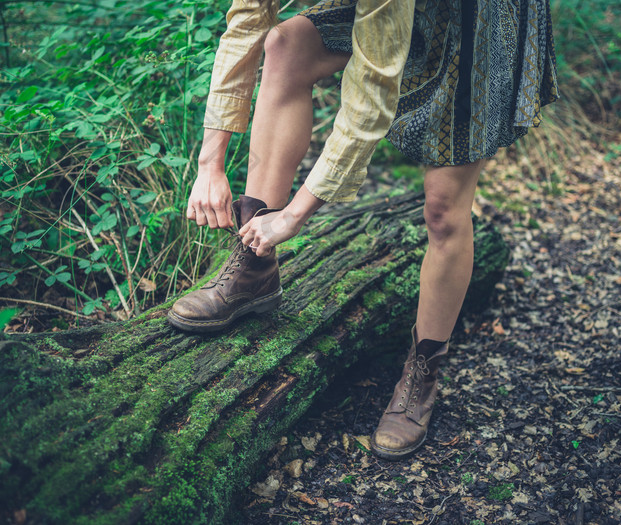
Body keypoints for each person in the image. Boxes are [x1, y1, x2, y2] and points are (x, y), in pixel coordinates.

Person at [167, 0, 559, 459]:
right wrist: (209, 162)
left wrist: (295, 214)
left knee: (443, 207)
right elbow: (247, 26)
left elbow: (370, 91)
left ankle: (423, 371)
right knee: (286, 44)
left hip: (474, 18)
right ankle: (254, 266)